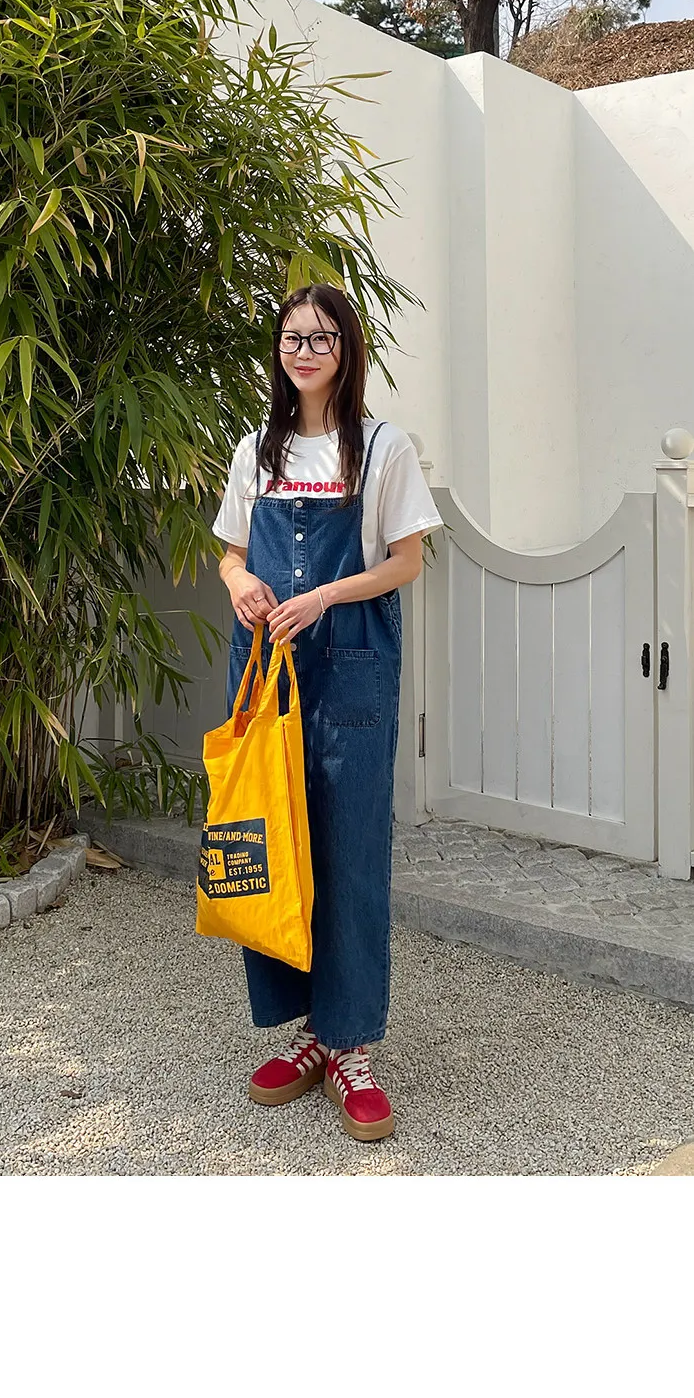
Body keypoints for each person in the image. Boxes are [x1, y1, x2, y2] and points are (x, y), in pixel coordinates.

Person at [213, 284, 442, 1142]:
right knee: (271, 843)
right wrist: (242, 584)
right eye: (291, 337)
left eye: (321, 338)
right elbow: (230, 555)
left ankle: (351, 1047)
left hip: (350, 664)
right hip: (267, 667)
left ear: (347, 349)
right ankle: (308, 1032)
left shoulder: (382, 446)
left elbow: (407, 562)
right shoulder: (257, 447)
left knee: (348, 849)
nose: (303, 351)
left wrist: (323, 597)